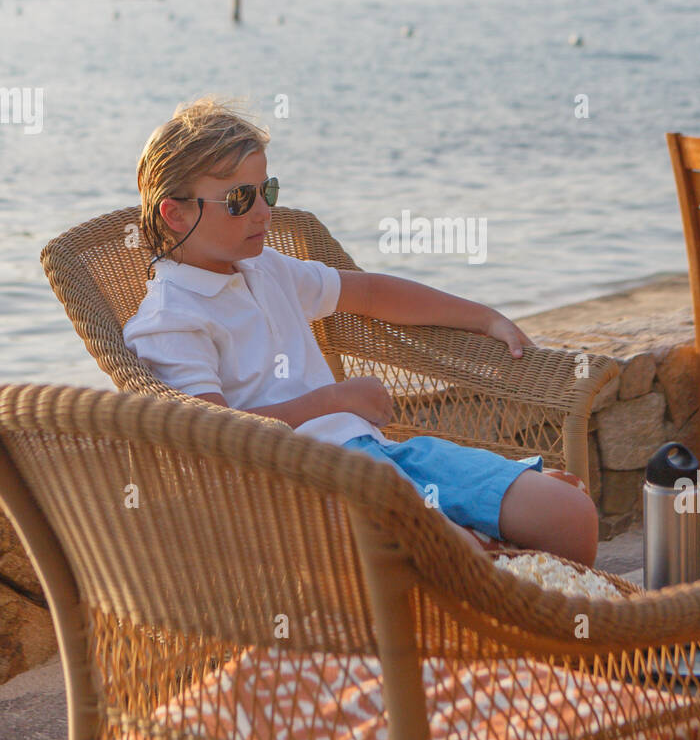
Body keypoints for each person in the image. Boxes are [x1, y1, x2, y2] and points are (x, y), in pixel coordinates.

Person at [124, 96, 598, 564]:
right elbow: (216, 437)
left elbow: (370, 293)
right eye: (239, 199)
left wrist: (484, 317)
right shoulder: (170, 320)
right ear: (176, 213)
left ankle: (491, 569)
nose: (263, 212)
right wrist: (334, 400)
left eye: (266, 191)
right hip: (311, 484)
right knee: (455, 561)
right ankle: (481, 573)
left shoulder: (265, 269)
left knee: (570, 517)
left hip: (375, 452)